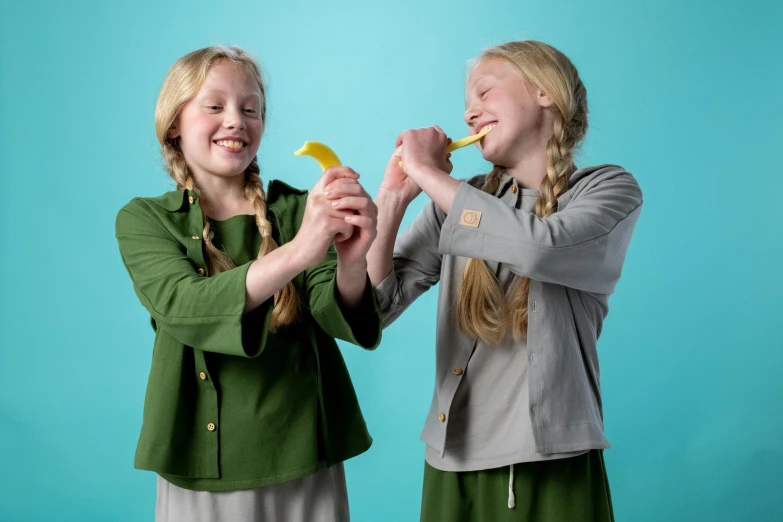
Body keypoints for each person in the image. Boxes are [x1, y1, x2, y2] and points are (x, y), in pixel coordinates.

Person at [115, 45, 380, 522]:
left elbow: (332, 309)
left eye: (250, 108)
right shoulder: (144, 220)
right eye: (214, 106)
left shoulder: (298, 209)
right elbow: (186, 307)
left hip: (305, 453)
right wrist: (302, 248)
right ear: (174, 122)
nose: (236, 120)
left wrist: (353, 260)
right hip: (203, 457)